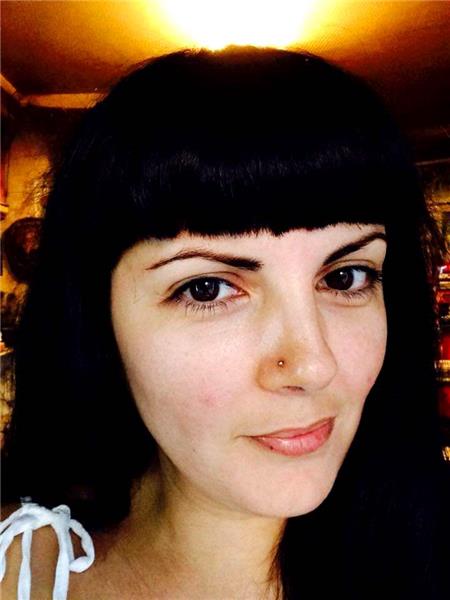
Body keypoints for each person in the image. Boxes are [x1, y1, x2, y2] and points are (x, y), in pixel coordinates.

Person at [0, 46, 448, 600]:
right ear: (97, 317)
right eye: (207, 288)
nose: (312, 365)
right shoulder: (20, 572)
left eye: (345, 277)